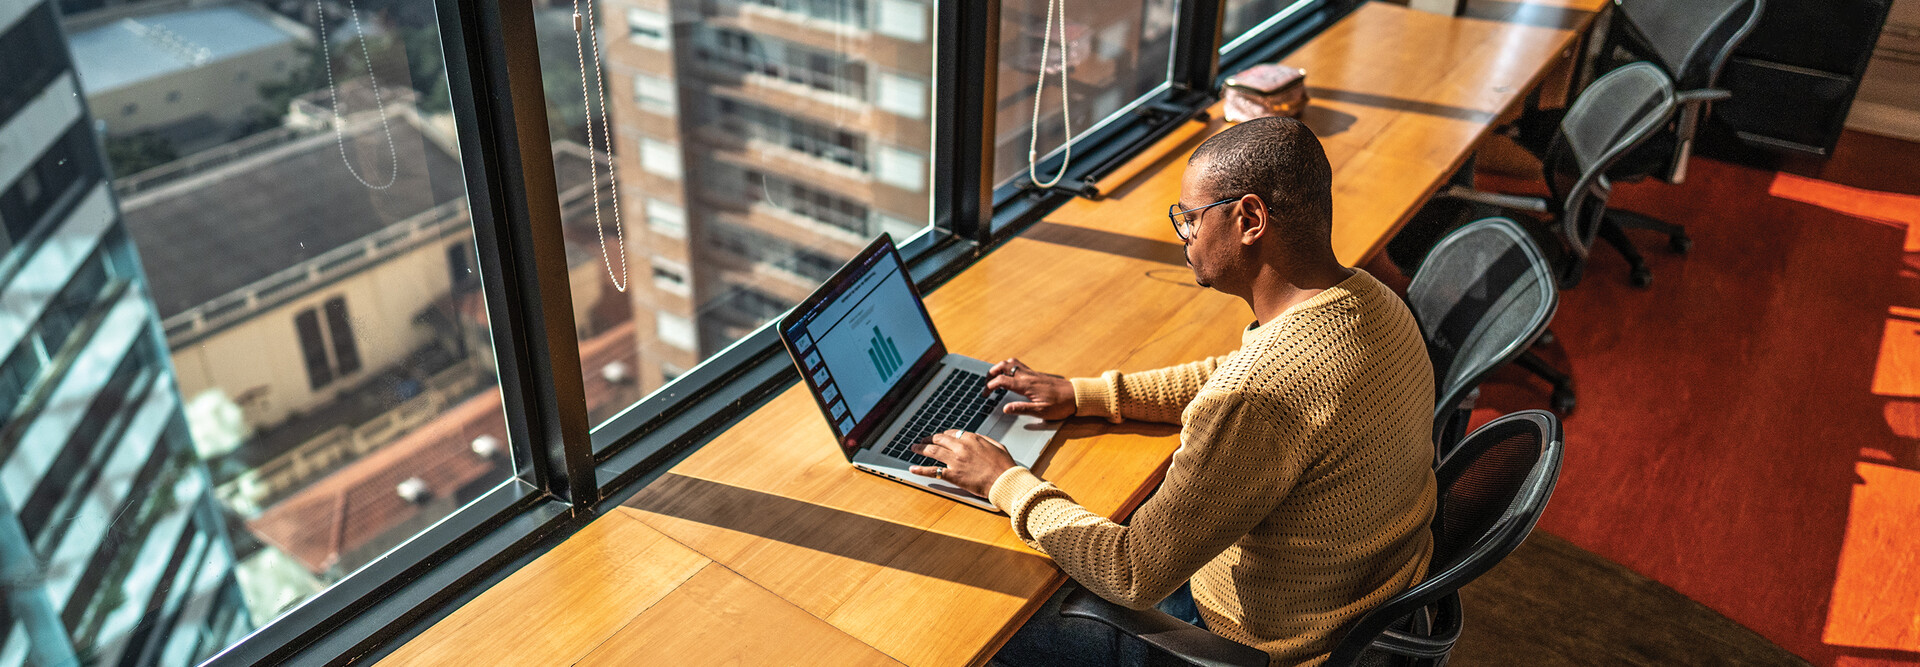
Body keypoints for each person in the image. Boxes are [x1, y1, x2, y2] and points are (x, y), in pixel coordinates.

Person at [908, 116, 1437, 667]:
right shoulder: (1372, 300)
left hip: (1264, 644)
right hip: (1368, 605)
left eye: (1189, 218)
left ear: (1249, 218)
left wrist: (1005, 481)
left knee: (983, 620)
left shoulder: (1255, 397)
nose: (1184, 236)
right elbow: (1226, 375)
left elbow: (1131, 572)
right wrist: (1083, 395)